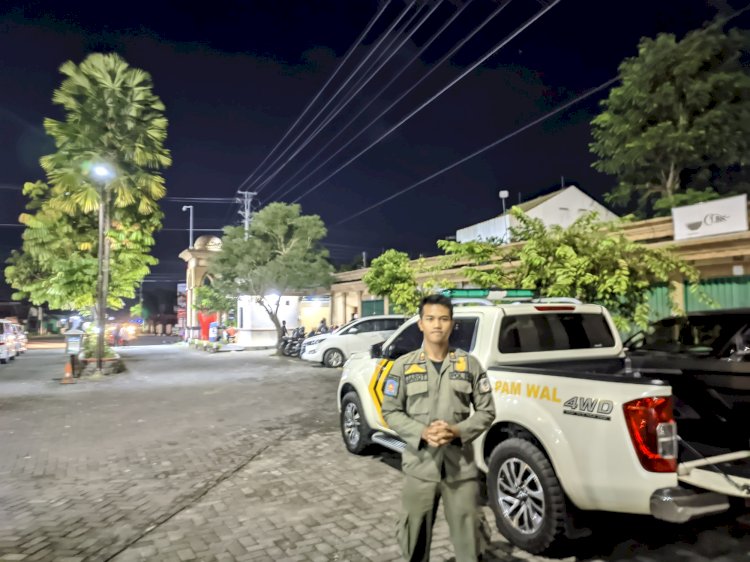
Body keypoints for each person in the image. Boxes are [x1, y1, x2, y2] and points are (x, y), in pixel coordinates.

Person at [381, 294, 495, 562]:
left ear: (452, 324)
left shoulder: (468, 364)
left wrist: (457, 431)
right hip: (420, 467)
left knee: (471, 541)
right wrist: (421, 432)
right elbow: (390, 411)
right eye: (430, 319)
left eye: (443, 319)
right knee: (414, 539)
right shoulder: (403, 366)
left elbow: (487, 411)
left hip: (461, 469)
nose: (437, 325)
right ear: (420, 324)